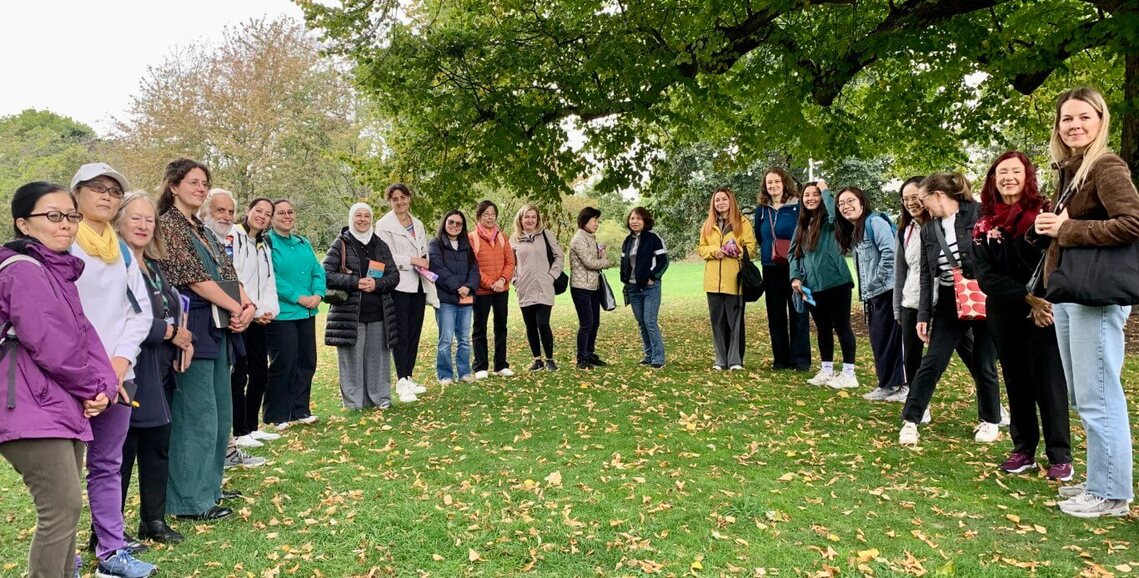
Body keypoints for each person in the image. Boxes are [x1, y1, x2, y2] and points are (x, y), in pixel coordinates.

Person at [0, 182, 119, 578]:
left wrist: (103, 387)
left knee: (66, 508)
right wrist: (92, 388)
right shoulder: (23, 271)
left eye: (71, 216)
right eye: (53, 216)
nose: (65, 225)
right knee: (60, 507)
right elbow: (55, 345)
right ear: (24, 224)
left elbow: (86, 337)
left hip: (58, 404)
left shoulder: (58, 273)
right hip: (28, 406)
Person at [1033, 87, 1139, 518]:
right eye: (1066, 119)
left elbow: (1132, 222)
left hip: (1095, 294)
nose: (1074, 125)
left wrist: (1067, 228)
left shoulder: (1107, 165)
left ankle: (1111, 494)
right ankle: (1100, 481)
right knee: (1084, 394)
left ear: (1101, 120)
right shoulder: (1073, 170)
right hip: (1071, 293)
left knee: (1099, 395)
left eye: (1083, 118)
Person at [68, 163, 159, 578]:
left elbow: (137, 314)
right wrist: (89, 374)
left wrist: (118, 366)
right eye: (96, 189)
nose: (105, 196)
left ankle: (111, 551)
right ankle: (63, 553)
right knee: (65, 474)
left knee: (107, 465)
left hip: (119, 375)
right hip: (68, 378)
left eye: (113, 191)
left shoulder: (119, 249)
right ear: (77, 194)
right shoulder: (63, 244)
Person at [157, 158, 255, 522]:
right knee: (196, 413)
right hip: (194, 327)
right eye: (193, 182)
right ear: (174, 186)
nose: (200, 188)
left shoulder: (201, 228)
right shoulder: (168, 226)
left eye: (204, 183)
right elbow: (195, 278)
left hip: (221, 326)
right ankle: (190, 499)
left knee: (220, 412)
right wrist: (235, 306)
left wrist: (246, 305)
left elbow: (228, 271)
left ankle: (210, 484)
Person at [973, 151, 1073, 481]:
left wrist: (1042, 302)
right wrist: (1025, 297)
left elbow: (1057, 262)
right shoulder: (983, 224)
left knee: (1048, 381)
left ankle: (1059, 454)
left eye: (1016, 171)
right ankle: (1023, 449)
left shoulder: (1046, 214)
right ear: (993, 179)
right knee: (1015, 380)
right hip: (1004, 311)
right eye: (1002, 172)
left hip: (1044, 312)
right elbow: (985, 276)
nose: (1009, 178)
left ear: (1027, 176)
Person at [898, 172, 1003, 446]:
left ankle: (990, 420)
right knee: (933, 361)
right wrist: (923, 315)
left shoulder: (979, 214)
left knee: (984, 361)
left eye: (924, 200)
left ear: (938, 196)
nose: (922, 207)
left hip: (984, 294)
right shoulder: (929, 230)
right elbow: (925, 275)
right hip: (948, 298)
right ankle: (911, 420)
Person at [113, 193, 191, 546]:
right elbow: (125, 317)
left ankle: (153, 521)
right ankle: (108, 528)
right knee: (121, 453)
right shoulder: (112, 265)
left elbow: (173, 307)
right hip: (128, 370)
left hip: (162, 370)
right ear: (118, 222)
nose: (144, 226)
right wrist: (171, 333)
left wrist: (183, 339)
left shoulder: (155, 267)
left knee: (158, 445)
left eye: (149, 220)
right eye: (135, 219)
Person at [323, 203, 400, 409]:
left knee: (378, 360)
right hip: (349, 315)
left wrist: (377, 284)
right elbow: (326, 274)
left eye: (367, 216)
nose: (363, 219)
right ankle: (354, 403)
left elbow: (394, 276)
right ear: (351, 218)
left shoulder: (380, 245)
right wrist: (355, 282)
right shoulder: (341, 244)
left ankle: (380, 398)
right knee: (351, 360)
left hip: (379, 313)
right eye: (359, 215)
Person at [835, 186, 905, 400]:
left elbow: (890, 253)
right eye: (841, 204)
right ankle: (887, 385)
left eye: (850, 201)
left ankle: (904, 386)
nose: (846, 207)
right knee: (879, 338)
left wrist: (877, 282)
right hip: (875, 293)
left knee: (893, 339)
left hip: (888, 290)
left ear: (862, 202)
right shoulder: (858, 228)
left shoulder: (875, 222)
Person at [790, 180, 857, 389]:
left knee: (842, 326)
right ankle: (826, 370)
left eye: (815, 194)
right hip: (812, 287)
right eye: (806, 195)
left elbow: (834, 211)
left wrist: (827, 189)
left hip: (837, 283)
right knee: (822, 329)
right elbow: (793, 254)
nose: (810, 198)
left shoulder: (830, 222)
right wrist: (795, 277)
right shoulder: (801, 226)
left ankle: (849, 373)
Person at [266, 199, 326, 427]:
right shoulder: (268, 244)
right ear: (272, 218)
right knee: (284, 363)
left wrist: (318, 294)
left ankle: (299, 410)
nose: (287, 216)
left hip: (307, 313)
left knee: (307, 361)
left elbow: (317, 271)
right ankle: (277, 414)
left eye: (290, 212)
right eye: (281, 213)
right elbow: (272, 277)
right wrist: (297, 297)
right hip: (283, 314)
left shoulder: (303, 243)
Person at [376, 183, 437, 402]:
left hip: (419, 284)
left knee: (414, 333)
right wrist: (411, 260)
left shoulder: (418, 223)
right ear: (390, 201)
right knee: (401, 334)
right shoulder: (383, 225)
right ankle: (401, 380)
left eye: (403, 197)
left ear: (409, 198)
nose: (400, 202)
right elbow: (384, 256)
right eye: (395, 199)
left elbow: (422, 249)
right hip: (399, 285)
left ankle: (409, 375)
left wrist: (424, 260)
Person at [229, 198, 281, 448]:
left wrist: (268, 309)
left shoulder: (263, 244)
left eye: (267, 213)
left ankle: (252, 425)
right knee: (239, 375)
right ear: (248, 211)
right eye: (258, 211)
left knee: (260, 373)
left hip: (260, 318)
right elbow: (234, 275)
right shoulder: (234, 236)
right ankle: (239, 430)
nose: (262, 216)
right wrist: (251, 308)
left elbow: (269, 280)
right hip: (241, 316)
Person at [753, 168, 811, 371]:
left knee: (798, 312)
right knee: (776, 315)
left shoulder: (797, 206)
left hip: (795, 267)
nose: (773, 186)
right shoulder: (762, 209)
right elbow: (759, 236)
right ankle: (780, 359)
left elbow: (805, 233)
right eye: (769, 183)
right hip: (771, 268)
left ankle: (801, 359)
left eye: (776, 181)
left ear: (784, 183)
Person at [697, 187, 757, 371]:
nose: (720, 203)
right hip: (713, 282)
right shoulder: (708, 225)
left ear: (731, 201)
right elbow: (701, 248)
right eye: (717, 200)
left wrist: (735, 251)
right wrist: (714, 252)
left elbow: (751, 249)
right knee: (717, 321)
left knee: (735, 322)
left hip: (734, 281)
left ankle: (735, 360)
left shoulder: (743, 223)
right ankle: (720, 360)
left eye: (724, 199)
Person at [429, 210, 480, 384]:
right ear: (445, 223)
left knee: (464, 339)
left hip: (465, 299)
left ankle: (464, 373)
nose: (454, 226)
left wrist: (468, 287)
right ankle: (445, 375)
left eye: (459, 224)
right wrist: (457, 287)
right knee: (446, 339)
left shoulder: (466, 245)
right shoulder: (436, 244)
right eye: (451, 222)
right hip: (446, 299)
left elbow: (474, 269)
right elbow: (437, 268)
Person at [511, 203, 563, 371]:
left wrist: (551, 276)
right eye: (527, 216)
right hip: (524, 288)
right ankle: (537, 359)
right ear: (521, 218)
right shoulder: (514, 239)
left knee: (543, 323)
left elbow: (559, 256)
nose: (530, 220)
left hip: (544, 286)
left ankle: (549, 359)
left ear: (538, 219)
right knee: (530, 325)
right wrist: (514, 280)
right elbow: (510, 263)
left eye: (533, 217)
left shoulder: (546, 235)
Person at [469, 200, 515, 379]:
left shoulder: (503, 236)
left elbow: (510, 261)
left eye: (492, 214)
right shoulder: (472, 238)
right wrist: (490, 283)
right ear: (479, 216)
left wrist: (502, 280)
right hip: (482, 291)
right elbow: (473, 265)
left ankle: (501, 364)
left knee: (501, 327)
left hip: (501, 290)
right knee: (479, 327)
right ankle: (480, 366)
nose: (490, 217)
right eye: (486, 214)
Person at [620, 207, 669, 368]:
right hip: (633, 288)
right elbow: (623, 262)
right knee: (641, 322)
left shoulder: (653, 238)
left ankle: (658, 357)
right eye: (632, 218)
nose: (634, 221)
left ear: (645, 221)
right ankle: (648, 355)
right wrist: (624, 278)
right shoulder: (628, 241)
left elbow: (664, 262)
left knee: (650, 321)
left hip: (650, 288)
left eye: (638, 218)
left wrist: (652, 277)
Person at [569, 207, 613, 370]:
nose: (597, 224)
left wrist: (601, 254)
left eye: (597, 221)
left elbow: (596, 260)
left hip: (593, 286)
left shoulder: (590, 238)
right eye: (595, 220)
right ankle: (582, 358)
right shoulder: (578, 239)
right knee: (586, 323)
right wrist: (607, 263)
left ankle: (589, 353)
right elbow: (589, 263)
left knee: (595, 322)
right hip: (581, 287)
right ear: (585, 221)